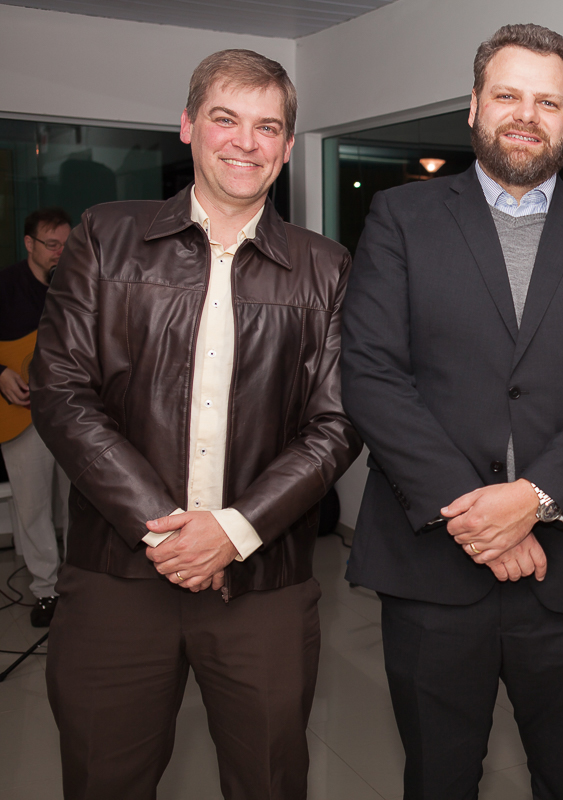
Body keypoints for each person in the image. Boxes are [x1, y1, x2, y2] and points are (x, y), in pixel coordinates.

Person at [341, 22, 563, 799]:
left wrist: (532, 499)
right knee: (439, 779)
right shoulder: (400, 220)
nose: (527, 114)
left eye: (548, 101)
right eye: (508, 95)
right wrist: (477, 518)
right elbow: (373, 375)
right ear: (475, 107)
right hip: (432, 568)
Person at [30, 49, 361, 799]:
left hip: (264, 583)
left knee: (270, 781)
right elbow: (61, 392)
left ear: (284, 145)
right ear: (187, 126)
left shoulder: (326, 268)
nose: (246, 142)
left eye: (268, 126)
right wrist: (165, 530)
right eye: (225, 119)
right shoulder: (104, 235)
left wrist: (236, 528)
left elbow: (337, 423)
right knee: (102, 779)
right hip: (118, 574)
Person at [0, 207, 72, 626]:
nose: (60, 253)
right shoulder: (5, 286)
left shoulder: (76, 286)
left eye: (66, 244)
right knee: (31, 508)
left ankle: (79, 587)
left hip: (69, 416)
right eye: (51, 245)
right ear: (29, 244)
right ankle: (46, 590)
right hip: (19, 414)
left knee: (77, 505)